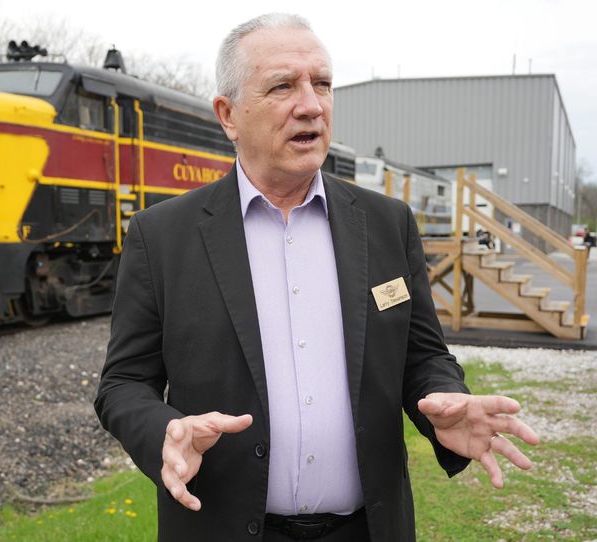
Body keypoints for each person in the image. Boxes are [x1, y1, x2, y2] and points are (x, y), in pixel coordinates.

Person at [95, 13, 538, 542]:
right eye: (283, 86)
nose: (311, 104)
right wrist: (162, 432)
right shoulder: (161, 236)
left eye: (322, 84)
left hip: (368, 529)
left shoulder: (386, 224)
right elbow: (123, 384)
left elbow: (422, 356)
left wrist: (446, 397)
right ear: (228, 114)